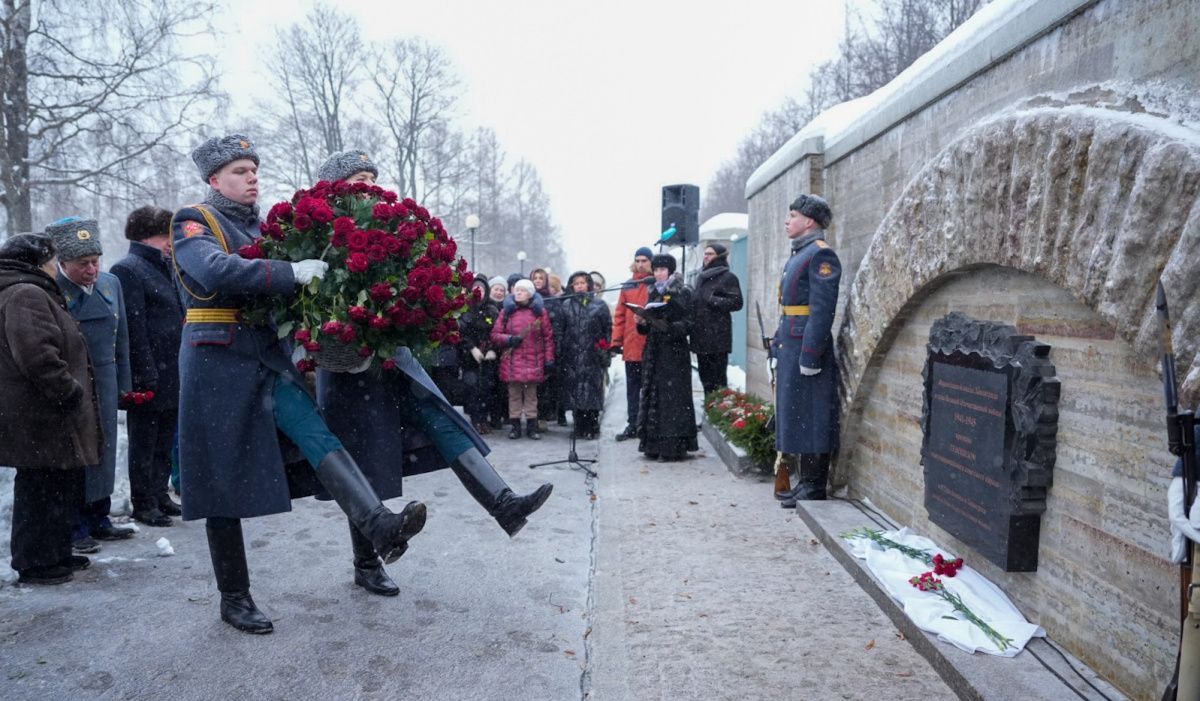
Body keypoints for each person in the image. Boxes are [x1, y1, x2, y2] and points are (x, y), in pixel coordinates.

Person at [172, 135, 425, 634]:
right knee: (221, 479)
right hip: (215, 359)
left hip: (266, 355)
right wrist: (289, 271)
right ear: (214, 179)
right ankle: (234, 596)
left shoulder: (265, 227)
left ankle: (378, 526)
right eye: (240, 170)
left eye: (254, 169)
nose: (252, 178)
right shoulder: (193, 219)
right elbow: (212, 268)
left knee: (317, 433)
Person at [314, 151, 553, 597]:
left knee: (443, 420)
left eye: (372, 178)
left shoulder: (391, 229)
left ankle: (504, 504)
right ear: (334, 186)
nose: (369, 187)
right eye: (359, 179)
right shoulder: (318, 235)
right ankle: (369, 562)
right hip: (345, 360)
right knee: (360, 457)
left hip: (395, 357)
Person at [0, 233, 99, 585]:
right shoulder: (26, 293)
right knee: (40, 488)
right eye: (53, 260)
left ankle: (54, 552)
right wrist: (68, 392)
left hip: (42, 411)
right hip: (40, 413)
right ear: (40, 261)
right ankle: (35, 563)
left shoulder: (27, 289)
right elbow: (37, 354)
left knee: (55, 484)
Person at [46, 217, 134, 554]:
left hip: (107, 379)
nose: (92, 270)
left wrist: (124, 384)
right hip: (75, 381)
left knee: (106, 448)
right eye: (83, 263)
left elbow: (121, 339)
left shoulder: (111, 284)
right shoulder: (51, 288)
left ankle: (100, 516)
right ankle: (76, 525)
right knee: (79, 452)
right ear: (63, 262)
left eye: (95, 261)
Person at [110, 207, 184, 528]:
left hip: (172, 368)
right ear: (146, 236)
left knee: (165, 436)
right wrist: (142, 372)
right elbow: (134, 329)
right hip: (149, 371)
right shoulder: (129, 269)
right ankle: (143, 501)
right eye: (165, 235)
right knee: (145, 440)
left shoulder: (163, 267)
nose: (171, 242)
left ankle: (159, 493)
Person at [774, 194, 841, 508]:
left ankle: (814, 484)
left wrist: (811, 354)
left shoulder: (820, 255)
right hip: (792, 343)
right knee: (796, 413)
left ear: (809, 221)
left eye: (792, 215)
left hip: (806, 348)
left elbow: (822, 310)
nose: (787, 221)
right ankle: (804, 481)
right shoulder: (799, 254)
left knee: (812, 414)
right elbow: (789, 307)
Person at [635, 254, 698, 462]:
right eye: (656, 270)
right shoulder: (653, 291)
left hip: (675, 353)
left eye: (663, 269)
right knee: (655, 396)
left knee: (673, 400)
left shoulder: (683, 291)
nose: (659, 273)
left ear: (671, 271)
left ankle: (673, 446)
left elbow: (691, 322)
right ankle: (653, 444)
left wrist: (670, 328)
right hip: (655, 351)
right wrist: (643, 322)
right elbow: (648, 323)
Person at [492, 278, 555, 440]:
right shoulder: (506, 311)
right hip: (513, 361)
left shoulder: (539, 312)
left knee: (531, 396)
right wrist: (509, 339)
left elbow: (547, 338)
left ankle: (532, 427)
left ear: (530, 294)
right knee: (513, 396)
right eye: (517, 290)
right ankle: (515, 427)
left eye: (523, 290)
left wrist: (549, 360)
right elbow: (495, 335)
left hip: (533, 361)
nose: (518, 293)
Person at [556, 271, 612, 439]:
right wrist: (560, 350)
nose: (579, 286)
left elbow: (607, 329)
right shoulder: (565, 305)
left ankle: (592, 425)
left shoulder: (599, 305)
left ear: (588, 284)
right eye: (576, 283)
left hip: (592, 355)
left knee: (591, 392)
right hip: (571, 355)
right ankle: (578, 425)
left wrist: (604, 350)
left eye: (582, 283)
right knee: (575, 392)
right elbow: (559, 330)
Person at [611, 247, 653, 440]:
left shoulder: (654, 284)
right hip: (631, 345)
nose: (641, 264)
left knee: (651, 388)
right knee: (633, 390)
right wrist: (616, 341)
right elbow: (619, 315)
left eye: (644, 260)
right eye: (638, 260)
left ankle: (649, 424)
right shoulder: (628, 285)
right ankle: (633, 423)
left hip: (651, 344)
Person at [691, 243, 744, 395]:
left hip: (718, 338)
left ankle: (719, 414)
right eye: (705, 253)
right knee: (705, 379)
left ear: (719, 257)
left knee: (719, 382)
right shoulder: (701, 277)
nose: (706, 256)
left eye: (710, 254)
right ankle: (710, 410)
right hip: (700, 336)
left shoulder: (728, 277)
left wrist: (714, 300)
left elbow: (737, 303)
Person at [459, 277, 501, 434]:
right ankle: (476, 419)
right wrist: (471, 348)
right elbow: (461, 333)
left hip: (488, 357)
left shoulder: (493, 310)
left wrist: (492, 349)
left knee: (486, 389)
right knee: (472, 389)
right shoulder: (465, 309)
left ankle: (484, 418)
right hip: (470, 357)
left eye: (482, 289)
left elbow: (496, 332)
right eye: (476, 289)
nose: (479, 292)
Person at [531, 267, 560, 431]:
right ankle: (531, 417)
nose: (538, 281)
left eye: (541, 278)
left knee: (544, 387)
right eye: (535, 278)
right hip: (528, 350)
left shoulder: (551, 301)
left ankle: (542, 417)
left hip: (545, 349)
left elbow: (555, 328)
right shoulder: (524, 300)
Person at [486, 276, 511, 428]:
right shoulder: (486, 307)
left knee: (503, 387)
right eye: (496, 289)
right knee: (491, 386)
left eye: (502, 290)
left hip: (503, 352)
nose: (499, 292)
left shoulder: (507, 308)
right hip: (489, 352)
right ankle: (493, 416)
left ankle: (502, 415)